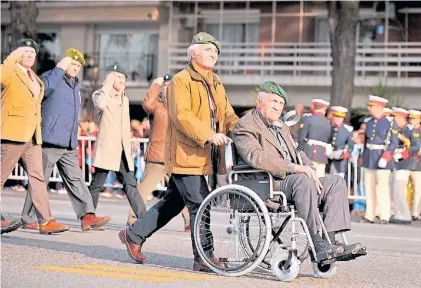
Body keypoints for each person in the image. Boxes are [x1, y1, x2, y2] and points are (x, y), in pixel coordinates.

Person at [118, 32, 239, 271]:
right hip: (186, 154)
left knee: (174, 202)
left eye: (216, 52)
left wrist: (244, 129)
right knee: (200, 203)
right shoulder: (180, 80)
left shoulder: (215, 81)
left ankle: (133, 235)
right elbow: (183, 116)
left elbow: (227, 114)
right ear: (194, 53)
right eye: (208, 50)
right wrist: (208, 134)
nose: (214, 55)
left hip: (202, 155)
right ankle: (204, 257)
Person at [232, 81, 364, 262]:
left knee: (336, 182)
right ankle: (317, 242)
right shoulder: (245, 125)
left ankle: (330, 242)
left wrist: (309, 167)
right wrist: (296, 168)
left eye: (280, 103)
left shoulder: (281, 126)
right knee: (303, 181)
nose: (277, 107)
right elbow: (257, 157)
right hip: (268, 182)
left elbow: (297, 152)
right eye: (273, 101)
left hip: (294, 181)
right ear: (259, 102)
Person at [20, 48, 111, 231]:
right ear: (64, 63)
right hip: (50, 140)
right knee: (40, 180)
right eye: (73, 64)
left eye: (78, 65)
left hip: (68, 142)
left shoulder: (76, 84)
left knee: (76, 179)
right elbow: (43, 92)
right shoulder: (51, 76)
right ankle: (28, 216)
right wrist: (59, 69)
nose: (76, 68)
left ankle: (88, 216)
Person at [1, 38, 69, 234]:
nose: (30, 56)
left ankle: (46, 221)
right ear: (18, 54)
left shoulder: (33, 77)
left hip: (32, 136)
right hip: (13, 133)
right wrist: (11, 58)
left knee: (37, 177)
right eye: (26, 52)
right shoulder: (9, 71)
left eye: (33, 54)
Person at [126, 74, 191, 232]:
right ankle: (132, 221)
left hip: (176, 156)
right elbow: (147, 102)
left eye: (172, 85)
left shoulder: (180, 106)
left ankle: (189, 222)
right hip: (158, 155)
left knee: (182, 191)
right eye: (166, 85)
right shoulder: (156, 105)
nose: (169, 88)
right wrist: (156, 83)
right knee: (144, 190)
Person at [89, 63, 146, 219]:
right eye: (117, 77)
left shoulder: (125, 99)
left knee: (130, 184)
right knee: (97, 184)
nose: (121, 80)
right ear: (109, 78)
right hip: (108, 147)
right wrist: (107, 85)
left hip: (123, 150)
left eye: (123, 77)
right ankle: (88, 216)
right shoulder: (100, 94)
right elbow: (100, 105)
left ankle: (143, 216)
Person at [360, 95, 398, 225]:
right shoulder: (369, 122)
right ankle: (369, 215)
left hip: (382, 159)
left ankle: (384, 216)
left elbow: (393, 143)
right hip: (370, 158)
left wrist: (386, 157)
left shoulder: (390, 122)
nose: (369, 108)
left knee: (382, 189)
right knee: (369, 188)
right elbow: (366, 141)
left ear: (379, 107)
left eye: (371, 106)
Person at [390, 107, 420, 224]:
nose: (394, 119)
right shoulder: (398, 129)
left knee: (400, 189)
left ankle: (404, 216)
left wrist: (403, 154)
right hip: (397, 163)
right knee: (396, 190)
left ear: (401, 118)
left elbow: (416, 146)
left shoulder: (410, 130)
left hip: (405, 163)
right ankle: (398, 214)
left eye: (396, 117)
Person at [298, 99, 331, 177]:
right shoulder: (327, 122)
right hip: (322, 154)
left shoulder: (308, 119)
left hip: (309, 152)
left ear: (313, 107)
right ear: (324, 109)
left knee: (308, 177)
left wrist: (298, 151)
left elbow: (302, 138)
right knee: (320, 177)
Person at [327, 106, 354, 178]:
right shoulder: (327, 127)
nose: (338, 119)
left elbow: (351, 146)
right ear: (332, 116)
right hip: (327, 160)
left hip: (340, 161)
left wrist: (346, 153)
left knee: (338, 183)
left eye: (341, 117)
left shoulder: (347, 129)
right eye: (336, 116)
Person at [408, 110, 421, 220]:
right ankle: (406, 210)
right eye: (411, 118)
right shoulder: (407, 130)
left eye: (415, 118)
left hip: (418, 164)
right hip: (406, 162)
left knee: (418, 190)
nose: (413, 121)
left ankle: (415, 212)